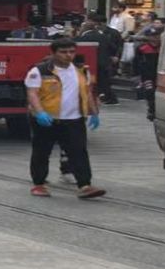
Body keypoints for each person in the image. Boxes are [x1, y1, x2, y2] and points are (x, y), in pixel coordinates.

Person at [25, 38, 106, 199]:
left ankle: (85, 185)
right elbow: (32, 93)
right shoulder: (40, 71)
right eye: (63, 52)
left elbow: (87, 92)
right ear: (53, 53)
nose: (68, 55)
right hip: (48, 119)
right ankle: (39, 184)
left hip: (73, 119)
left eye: (71, 51)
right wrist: (40, 112)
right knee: (42, 151)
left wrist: (94, 113)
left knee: (79, 151)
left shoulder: (81, 70)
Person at [134, 16, 165, 119]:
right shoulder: (142, 48)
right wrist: (137, 76)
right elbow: (136, 62)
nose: (154, 39)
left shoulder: (163, 49)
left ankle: (158, 109)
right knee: (150, 92)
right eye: (152, 36)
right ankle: (151, 109)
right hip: (147, 75)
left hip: (159, 74)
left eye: (156, 36)